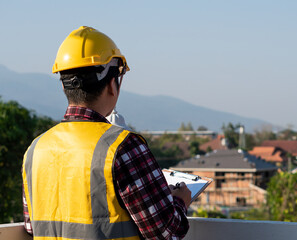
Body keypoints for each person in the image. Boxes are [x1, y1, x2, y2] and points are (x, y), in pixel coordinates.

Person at [22, 26, 191, 240]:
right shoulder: (123, 147)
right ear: (112, 84)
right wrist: (180, 201)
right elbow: (166, 232)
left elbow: (31, 227)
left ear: (65, 87)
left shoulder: (35, 149)